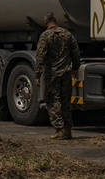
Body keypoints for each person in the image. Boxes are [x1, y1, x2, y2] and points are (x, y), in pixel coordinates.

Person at [34, 11, 81, 140]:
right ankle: (68, 130)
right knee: (66, 101)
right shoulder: (67, 34)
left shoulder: (45, 36)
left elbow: (40, 55)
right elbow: (75, 52)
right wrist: (76, 68)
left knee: (53, 100)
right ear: (57, 20)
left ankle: (59, 129)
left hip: (52, 74)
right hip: (66, 72)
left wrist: (37, 74)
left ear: (45, 22)